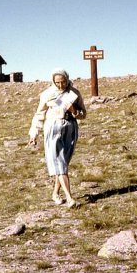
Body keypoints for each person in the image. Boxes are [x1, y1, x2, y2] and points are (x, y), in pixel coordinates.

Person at [28, 68, 86, 208]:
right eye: (57, 82)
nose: (61, 85)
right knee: (59, 163)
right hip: (52, 128)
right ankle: (69, 198)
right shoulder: (47, 94)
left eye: (63, 82)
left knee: (63, 163)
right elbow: (39, 114)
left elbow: (83, 114)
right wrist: (33, 134)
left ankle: (55, 194)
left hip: (70, 128)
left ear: (67, 79)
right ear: (53, 81)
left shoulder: (74, 94)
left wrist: (74, 111)